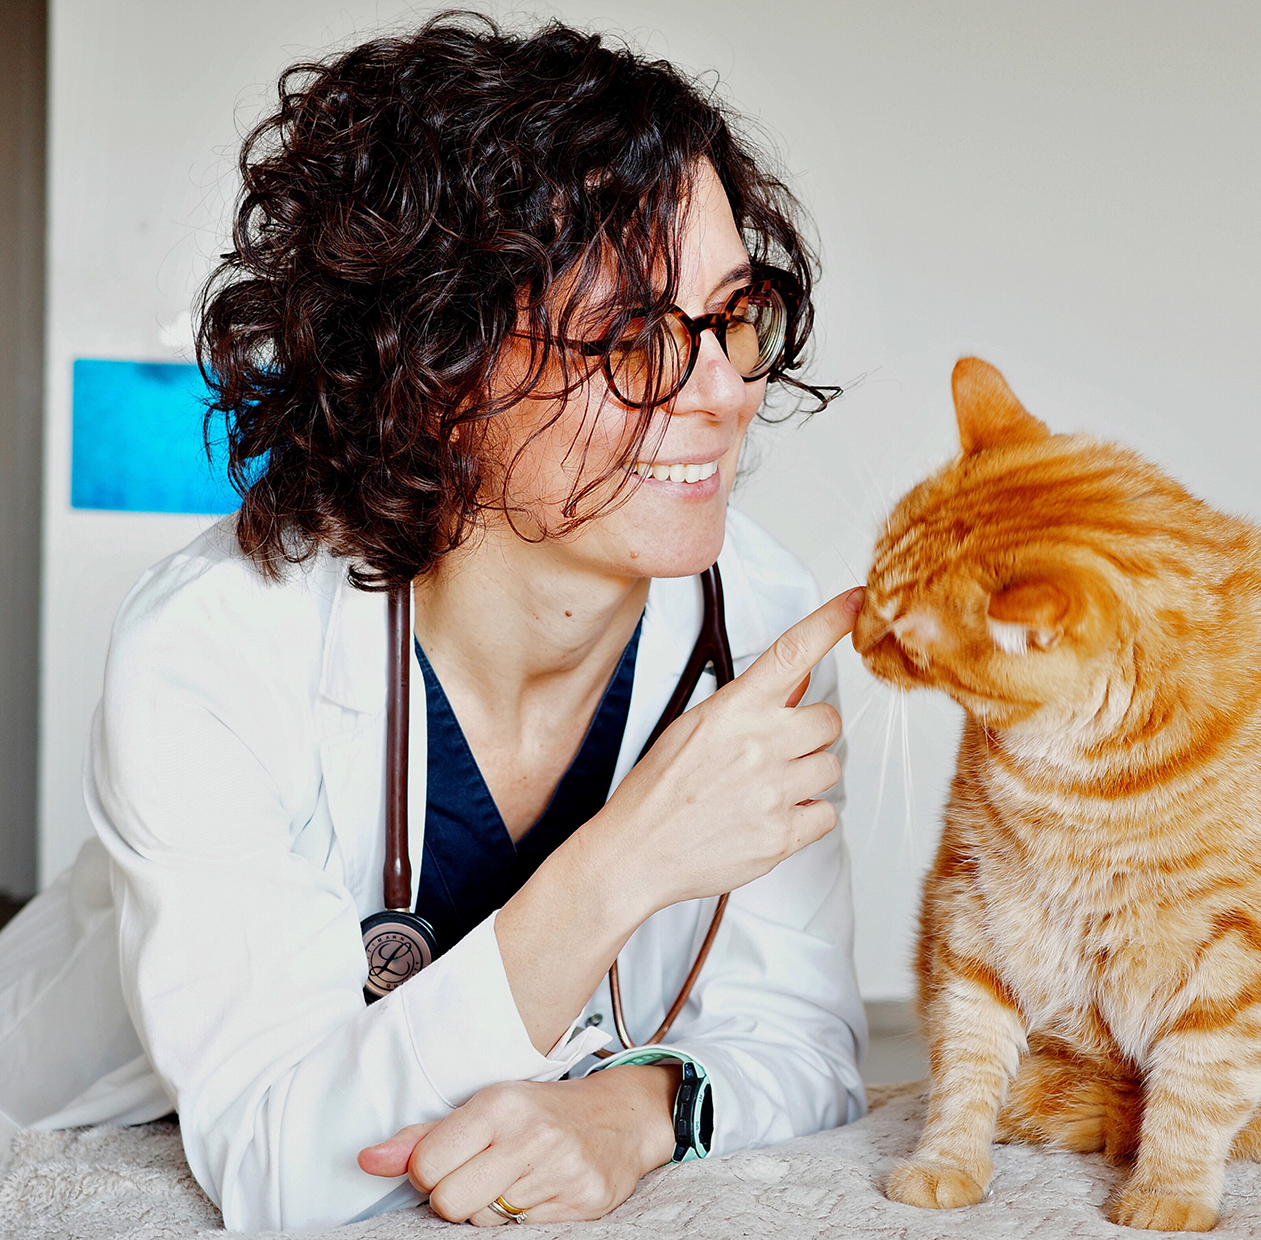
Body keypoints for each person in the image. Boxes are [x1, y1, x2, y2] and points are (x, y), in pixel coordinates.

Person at [0, 14, 866, 1231]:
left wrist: (628, 1113)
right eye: (632, 340)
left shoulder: (762, 621)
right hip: (80, 1090)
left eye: (734, 315)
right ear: (439, 373)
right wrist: (624, 863)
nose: (723, 390)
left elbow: (803, 1040)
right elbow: (280, 1158)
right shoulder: (215, 644)